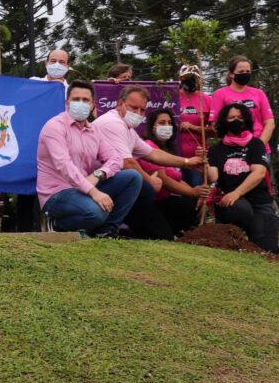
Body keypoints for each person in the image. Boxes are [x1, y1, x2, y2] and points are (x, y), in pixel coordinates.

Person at [91, 85, 205, 240]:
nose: (138, 114)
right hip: (95, 182)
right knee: (136, 180)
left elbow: (153, 154)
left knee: (145, 187)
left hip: (118, 185)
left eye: (142, 110)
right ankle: (109, 228)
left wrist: (187, 162)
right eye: (133, 108)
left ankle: (135, 229)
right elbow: (127, 163)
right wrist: (150, 179)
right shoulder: (113, 123)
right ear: (119, 104)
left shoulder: (128, 129)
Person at [37, 80, 141, 236]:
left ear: (93, 105)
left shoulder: (94, 131)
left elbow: (115, 159)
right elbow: (64, 166)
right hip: (58, 193)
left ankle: (106, 232)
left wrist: (99, 174)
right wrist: (94, 192)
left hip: (85, 186)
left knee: (133, 177)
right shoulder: (54, 127)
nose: (81, 103)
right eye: (76, 99)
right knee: (97, 211)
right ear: (67, 103)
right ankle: (58, 224)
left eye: (85, 100)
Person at [207, 103, 279, 253]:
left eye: (240, 117)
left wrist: (237, 192)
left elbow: (259, 172)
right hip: (232, 203)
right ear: (223, 122)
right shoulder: (215, 150)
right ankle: (234, 239)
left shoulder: (256, 144)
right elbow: (213, 176)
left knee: (268, 249)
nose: (236, 120)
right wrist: (203, 162)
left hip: (259, 200)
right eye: (231, 117)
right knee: (239, 209)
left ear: (246, 120)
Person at [19, 48, 71, 230]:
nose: (57, 65)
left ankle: (56, 229)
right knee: (26, 191)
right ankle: (24, 231)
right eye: (53, 60)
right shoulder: (33, 84)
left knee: (56, 191)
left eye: (62, 62)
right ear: (46, 63)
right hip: (29, 147)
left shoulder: (71, 91)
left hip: (59, 150)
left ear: (68, 66)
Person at [138, 107, 211, 235]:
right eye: (162, 123)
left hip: (164, 202)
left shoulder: (168, 149)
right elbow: (163, 179)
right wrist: (192, 192)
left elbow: (177, 178)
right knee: (163, 236)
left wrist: (197, 195)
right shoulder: (148, 146)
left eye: (170, 123)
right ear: (152, 126)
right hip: (149, 203)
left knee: (192, 205)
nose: (167, 126)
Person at [209, 55, 275, 160]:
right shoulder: (220, 94)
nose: (245, 74)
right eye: (241, 72)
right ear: (231, 74)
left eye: (248, 71)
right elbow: (215, 124)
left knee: (259, 175)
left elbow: (270, 123)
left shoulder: (259, 93)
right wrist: (231, 142)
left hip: (259, 147)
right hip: (232, 150)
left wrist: (258, 145)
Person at [176, 64, 214, 187]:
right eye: (187, 77)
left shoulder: (207, 100)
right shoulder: (172, 97)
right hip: (175, 156)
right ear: (180, 78)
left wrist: (193, 127)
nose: (191, 81)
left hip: (198, 156)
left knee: (196, 191)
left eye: (194, 78)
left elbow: (215, 131)